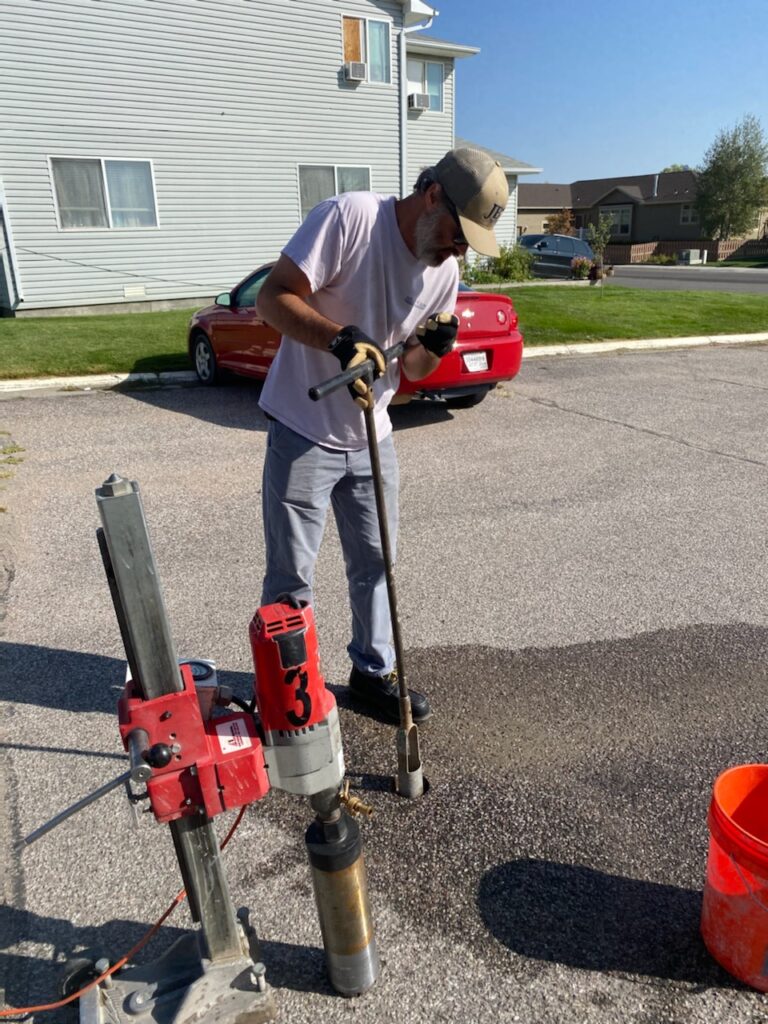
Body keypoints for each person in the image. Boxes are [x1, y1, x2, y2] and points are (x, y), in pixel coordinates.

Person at [256, 147, 509, 722]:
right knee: (292, 574)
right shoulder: (348, 219)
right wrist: (339, 339)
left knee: (377, 563)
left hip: (373, 437)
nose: (457, 249)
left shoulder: (445, 273)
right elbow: (273, 299)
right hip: (303, 428)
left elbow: (411, 371)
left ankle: (372, 676)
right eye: (455, 232)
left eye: (468, 242)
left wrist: (432, 349)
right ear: (432, 196)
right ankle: (288, 692)